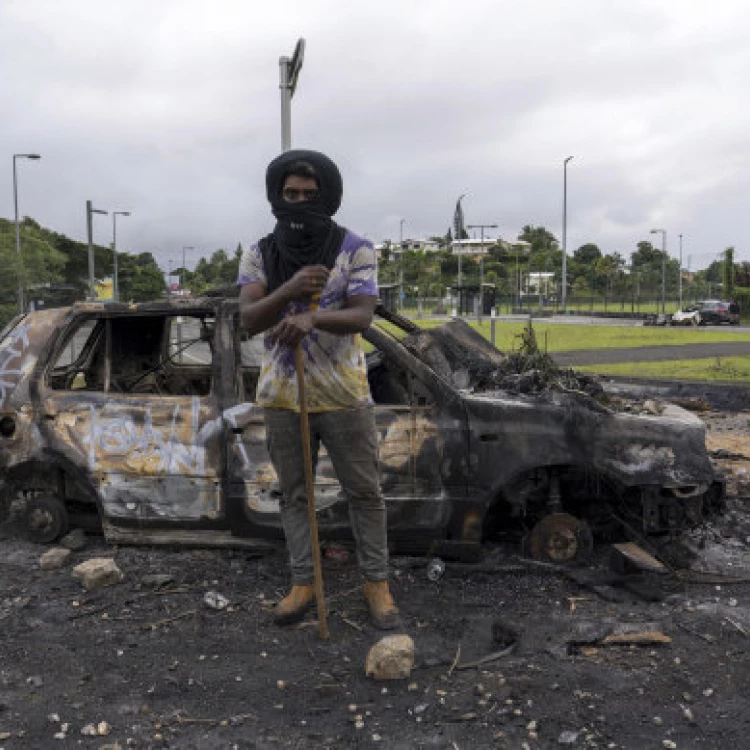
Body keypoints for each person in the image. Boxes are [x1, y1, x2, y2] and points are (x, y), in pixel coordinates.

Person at [238, 149, 399, 630]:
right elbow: (248, 319)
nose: (300, 201)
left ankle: (377, 586)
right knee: (294, 494)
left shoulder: (356, 248)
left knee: (365, 493)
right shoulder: (259, 252)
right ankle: (303, 583)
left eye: (310, 194)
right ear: (276, 196)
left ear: (327, 195)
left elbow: (363, 315)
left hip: (345, 395)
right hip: (285, 397)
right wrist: (289, 291)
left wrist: (313, 317)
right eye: (291, 194)